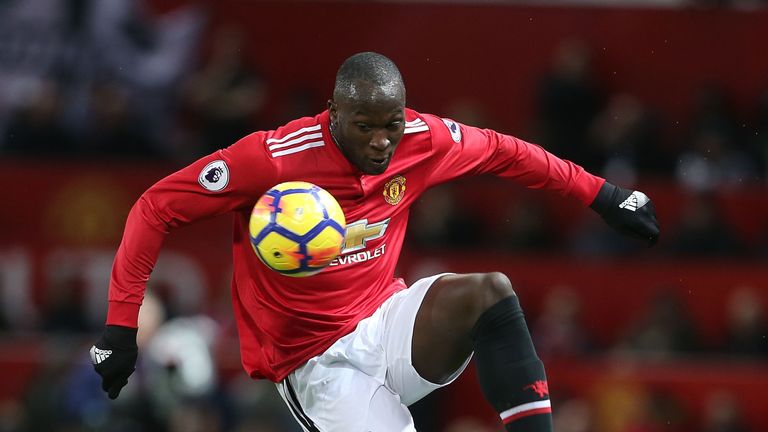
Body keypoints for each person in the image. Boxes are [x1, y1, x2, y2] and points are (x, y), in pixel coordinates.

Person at [90, 52, 659, 431]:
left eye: (391, 123)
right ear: (334, 113)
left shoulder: (421, 138)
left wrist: (603, 194)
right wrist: (121, 326)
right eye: (366, 126)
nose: (383, 141)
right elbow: (155, 207)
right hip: (314, 364)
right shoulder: (271, 159)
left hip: (385, 322)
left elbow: (506, 151)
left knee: (489, 291)